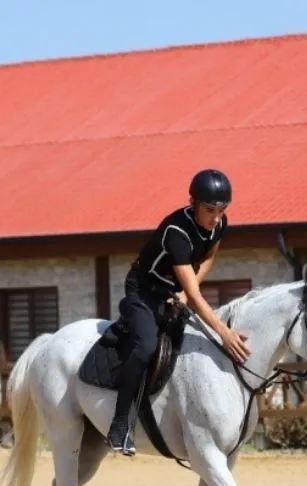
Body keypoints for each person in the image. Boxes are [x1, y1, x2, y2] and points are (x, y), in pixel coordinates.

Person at [105, 168, 253, 456]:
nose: (216, 217)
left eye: (222, 210)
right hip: (144, 289)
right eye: (210, 210)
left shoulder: (219, 224)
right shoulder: (176, 232)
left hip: (174, 290)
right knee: (147, 345)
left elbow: (209, 257)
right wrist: (223, 331)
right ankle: (119, 425)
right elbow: (197, 299)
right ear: (192, 202)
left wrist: (187, 288)